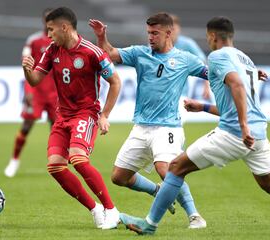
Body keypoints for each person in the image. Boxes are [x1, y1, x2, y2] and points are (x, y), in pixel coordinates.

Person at [119, 16, 270, 235]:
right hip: (259, 134)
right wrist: (203, 107)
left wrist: (243, 126)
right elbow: (235, 101)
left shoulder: (217, 56)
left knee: (175, 168)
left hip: (235, 133)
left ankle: (149, 225)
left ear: (212, 36)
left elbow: (236, 86)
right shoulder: (244, 59)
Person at [89, 12, 208, 229]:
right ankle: (157, 190)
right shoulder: (140, 53)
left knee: (167, 169)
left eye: (155, 33)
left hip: (168, 127)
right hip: (141, 126)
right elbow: (110, 53)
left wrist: (244, 75)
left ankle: (195, 215)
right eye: (148, 33)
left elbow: (213, 74)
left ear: (168, 33)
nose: (150, 37)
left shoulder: (185, 59)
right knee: (119, 177)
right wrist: (101, 37)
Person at [22, 7, 122, 230]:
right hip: (62, 116)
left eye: (51, 30)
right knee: (55, 167)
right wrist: (27, 71)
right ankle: (95, 209)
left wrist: (104, 115)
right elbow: (36, 79)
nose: (48, 35)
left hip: (85, 114)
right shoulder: (52, 50)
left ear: (64, 27)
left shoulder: (91, 52)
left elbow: (115, 81)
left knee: (78, 159)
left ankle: (111, 210)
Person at [4, 8, 58, 178]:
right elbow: (27, 65)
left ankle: (56, 163)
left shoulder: (60, 42)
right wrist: (28, 89)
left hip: (55, 93)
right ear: (43, 20)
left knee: (56, 129)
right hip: (36, 91)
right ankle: (14, 160)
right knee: (26, 127)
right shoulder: (34, 41)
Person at [170, 14, 210, 99]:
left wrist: (206, 85)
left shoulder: (187, 43)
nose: (172, 32)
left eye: (174, 29)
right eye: (170, 29)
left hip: (181, 96)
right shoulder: (156, 44)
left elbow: (203, 62)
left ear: (179, 29)